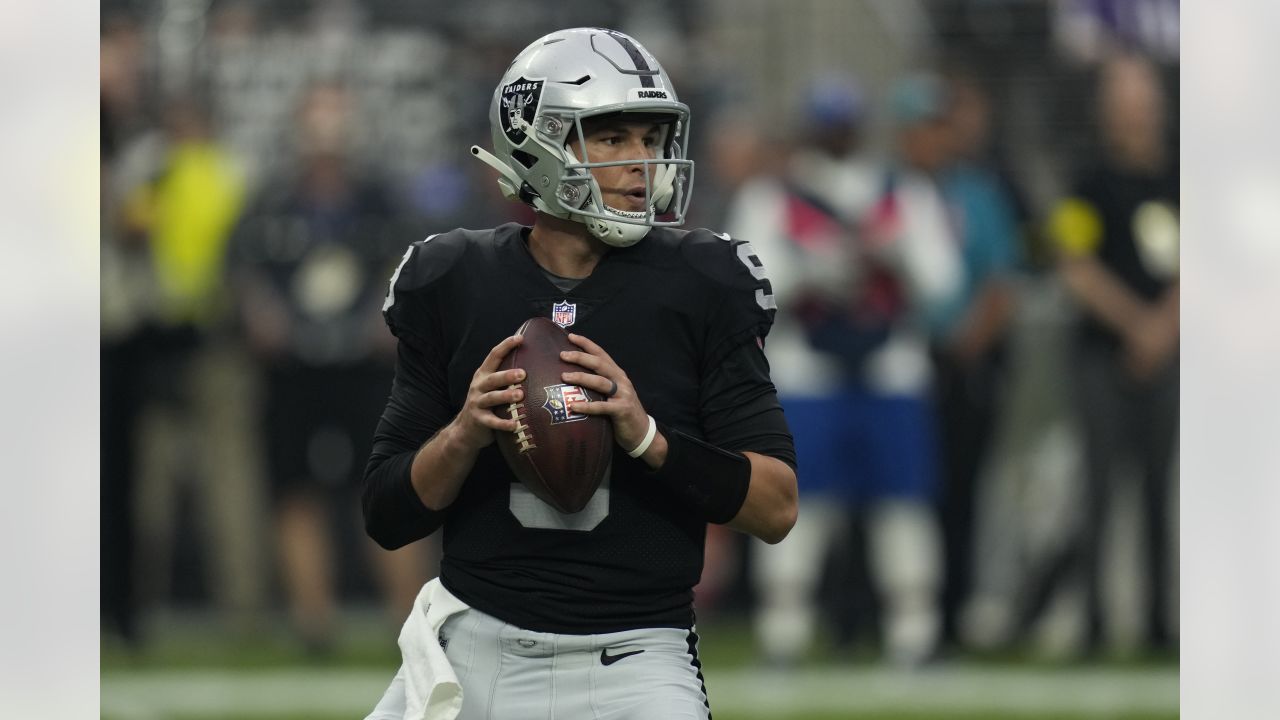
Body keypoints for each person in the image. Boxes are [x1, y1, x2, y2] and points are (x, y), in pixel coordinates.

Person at [363, 28, 797, 720]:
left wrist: (648, 438)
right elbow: (385, 514)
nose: (642, 163)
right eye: (613, 138)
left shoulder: (704, 282)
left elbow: (776, 508)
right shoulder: (454, 279)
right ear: (538, 144)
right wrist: (465, 432)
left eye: (652, 140)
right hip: (475, 647)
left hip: (636, 660)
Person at [229, 82, 433, 654]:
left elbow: (414, 262)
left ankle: (408, 619)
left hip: (366, 369)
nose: (326, 135)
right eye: (316, 122)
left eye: (335, 122)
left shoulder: (380, 202)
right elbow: (239, 268)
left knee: (390, 486)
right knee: (295, 489)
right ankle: (312, 621)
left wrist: (388, 315)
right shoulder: (272, 201)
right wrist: (259, 312)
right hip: (292, 369)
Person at [1021, 53, 1178, 655]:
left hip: (1167, 354)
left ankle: (1162, 624)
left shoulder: (1179, 176)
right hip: (1101, 356)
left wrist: (1163, 330)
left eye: (1138, 95)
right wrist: (1138, 326)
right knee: (1100, 490)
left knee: (1161, 490)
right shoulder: (1087, 180)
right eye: (1119, 95)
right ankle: (1092, 623)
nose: (1130, 108)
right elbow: (1075, 266)